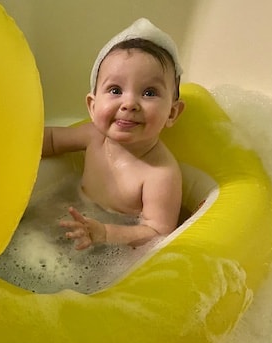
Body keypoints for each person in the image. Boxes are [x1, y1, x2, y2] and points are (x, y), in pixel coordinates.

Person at [42, 18, 185, 249]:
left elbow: (158, 232)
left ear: (172, 113)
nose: (129, 103)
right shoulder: (93, 136)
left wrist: (105, 233)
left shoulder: (160, 174)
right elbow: (49, 140)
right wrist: (10, 145)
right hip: (72, 218)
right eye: (115, 90)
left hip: (115, 247)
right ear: (92, 105)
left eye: (149, 92)